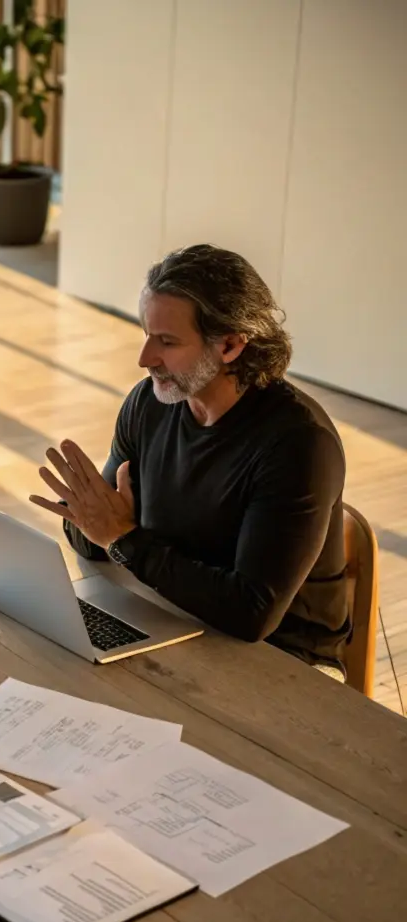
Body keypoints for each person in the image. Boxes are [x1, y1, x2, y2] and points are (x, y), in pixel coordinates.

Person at [30, 243, 350, 677]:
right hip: (174, 614)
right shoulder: (150, 405)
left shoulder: (299, 445)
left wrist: (124, 540)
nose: (145, 359)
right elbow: (98, 536)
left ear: (232, 345)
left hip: (283, 662)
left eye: (167, 341)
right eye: (145, 334)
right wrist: (103, 528)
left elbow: (251, 613)